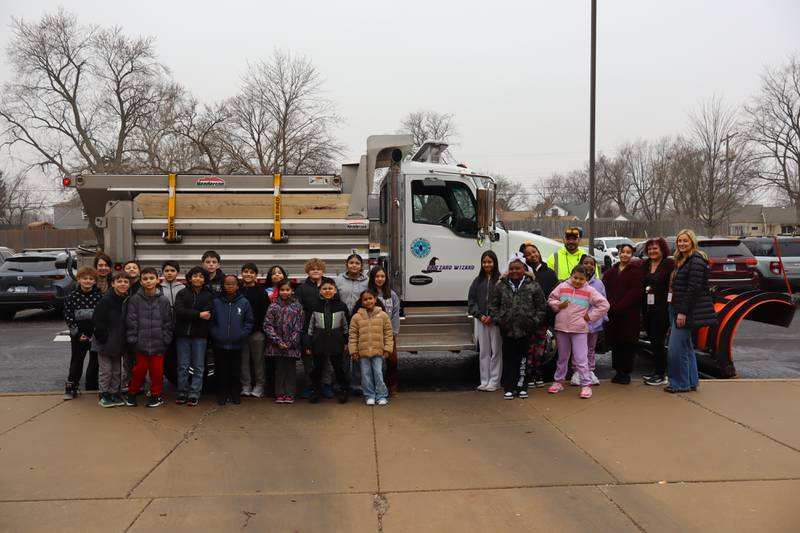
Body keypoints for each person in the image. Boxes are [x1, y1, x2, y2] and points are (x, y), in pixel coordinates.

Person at [487, 252, 546, 400]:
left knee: (523, 359)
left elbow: (541, 307)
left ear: (523, 270)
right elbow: (493, 305)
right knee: (509, 358)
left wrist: (533, 321)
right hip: (507, 329)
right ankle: (509, 387)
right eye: (512, 268)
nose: (514, 271)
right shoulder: (501, 285)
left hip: (525, 329)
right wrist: (500, 320)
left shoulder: (533, 285)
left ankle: (522, 386)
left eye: (518, 268)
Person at [667, 229, 717, 393]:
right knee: (686, 347)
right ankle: (691, 381)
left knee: (676, 350)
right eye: (679, 241)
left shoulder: (696, 260)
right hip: (677, 307)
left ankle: (680, 384)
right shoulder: (683, 259)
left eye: (685, 241)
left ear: (692, 242)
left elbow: (693, 289)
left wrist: (682, 312)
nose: (682, 244)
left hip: (685, 311)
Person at [549, 265, 610, 399]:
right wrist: (558, 304)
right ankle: (558, 382)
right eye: (575, 277)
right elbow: (551, 299)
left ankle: (586, 385)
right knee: (562, 358)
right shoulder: (562, 286)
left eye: (581, 279)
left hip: (579, 330)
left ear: (586, 279)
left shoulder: (590, 290)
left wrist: (590, 317)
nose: (577, 281)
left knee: (581, 359)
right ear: (571, 275)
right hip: (562, 328)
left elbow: (604, 305)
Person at [125, 267, 174, 408]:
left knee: (157, 372)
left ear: (157, 280)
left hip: (159, 344)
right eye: (145, 279)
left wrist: (166, 339)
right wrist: (133, 340)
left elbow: (167, 322)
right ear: (140, 282)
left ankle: (156, 395)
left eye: (151, 278)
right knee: (138, 371)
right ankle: (132, 393)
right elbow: (131, 321)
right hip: (140, 344)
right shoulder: (135, 299)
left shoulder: (163, 300)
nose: (148, 281)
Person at [602, 243, 644, 384]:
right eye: (622, 252)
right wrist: (610, 306)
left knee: (628, 343)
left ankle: (626, 373)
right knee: (616, 343)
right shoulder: (610, 272)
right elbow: (604, 290)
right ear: (618, 253)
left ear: (632, 255)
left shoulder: (636, 271)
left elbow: (635, 293)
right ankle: (618, 371)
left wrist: (620, 306)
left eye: (628, 252)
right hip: (613, 314)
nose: (624, 254)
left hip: (629, 314)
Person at [210, 274, 254, 405]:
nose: (230, 286)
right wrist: (216, 334)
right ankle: (222, 394)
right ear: (223, 286)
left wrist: (241, 334)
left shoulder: (244, 302)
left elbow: (249, 321)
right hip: (220, 343)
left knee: (235, 370)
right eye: (227, 284)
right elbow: (211, 322)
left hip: (237, 344)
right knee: (221, 370)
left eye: (232, 284)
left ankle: (235, 393)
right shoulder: (216, 302)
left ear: (237, 286)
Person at [295, 258, 335, 399]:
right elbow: (298, 309)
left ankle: (326, 385)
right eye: (312, 269)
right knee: (309, 360)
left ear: (323, 270)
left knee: (326, 358)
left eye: (318, 268)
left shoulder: (330, 284)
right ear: (307, 271)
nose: (316, 271)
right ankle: (310, 386)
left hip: (327, 327)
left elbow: (336, 302)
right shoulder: (301, 288)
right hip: (308, 329)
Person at [174, 266, 214, 406]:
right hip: (182, 335)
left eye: (201, 276)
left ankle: (194, 394)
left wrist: (189, 313)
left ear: (205, 279)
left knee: (198, 366)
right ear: (190, 278)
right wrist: (198, 314)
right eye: (195, 276)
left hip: (200, 336)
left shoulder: (208, 295)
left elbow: (208, 314)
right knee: (183, 366)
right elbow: (179, 311)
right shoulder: (182, 293)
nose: (197, 278)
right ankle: (182, 392)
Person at [306, 279, 350, 404]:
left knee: (339, 367)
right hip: (318, 342)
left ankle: (344, 390)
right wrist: (308, 343)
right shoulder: (314, 306)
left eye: (330, 288)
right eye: (324, 289)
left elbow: (347, 325)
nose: (327, 291)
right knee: (318, 368)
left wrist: (346, 341)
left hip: (337, 342)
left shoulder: (341, 306)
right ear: (320, 291)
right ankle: (315, 391)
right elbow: (309, 327)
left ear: (335, 290)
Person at [520, 242, 558, 388]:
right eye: (528, 254)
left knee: (540, 349)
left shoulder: (549, 273)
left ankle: (538, 373)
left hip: (543, 318)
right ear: (525, 258)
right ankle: (528, 375)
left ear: (539, 252)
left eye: (534, 252)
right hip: (528, 318)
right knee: (528, 349)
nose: (532, 255)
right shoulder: (522, 273)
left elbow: (554, 295)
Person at [63, 266, 103, 399]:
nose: (88, 281)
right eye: (84, 278)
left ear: (95, 281)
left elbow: (102, 317)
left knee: (94, 362)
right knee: (76, 361)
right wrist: (77, 334)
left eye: (91, 279)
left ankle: (92, 388)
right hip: (78, 336)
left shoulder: (100, 297)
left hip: (95, 336)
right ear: (79, 280)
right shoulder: (71, 297)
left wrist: (97, 333)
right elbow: (69, 318)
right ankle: (71, 387)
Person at [349, 290, 394, 406]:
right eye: (365, 299)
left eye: (370, 298)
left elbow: (388, 333)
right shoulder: (356, 317)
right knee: (365, 374)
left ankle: (381, 395)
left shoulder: (383, 315)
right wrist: (353, 351)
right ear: (361, 301)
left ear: (375, 299)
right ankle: (369, 395)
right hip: (363, 353)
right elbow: (353, 335)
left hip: (378, 351)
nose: (368, 301)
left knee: (378, 373)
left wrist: (388, 349)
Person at [92, 272, 131, 407]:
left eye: (126, 282)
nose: (123, 284)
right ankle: (104, 394)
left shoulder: (127, 299)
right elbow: (97, 320)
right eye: (119, 281)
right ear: (113, 283)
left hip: (118, 341)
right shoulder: (106, 300)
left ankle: (115, 393)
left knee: (117, 371)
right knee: (106, 371)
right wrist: (102, 338)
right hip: (105, 341)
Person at [641, 238, 675, 387]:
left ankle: (661, 374)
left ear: (662, 250)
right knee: (653, 342)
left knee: (658, 342)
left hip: (662, 310)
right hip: (647, 310)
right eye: (650, 249)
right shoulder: (646, 264)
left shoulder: (669, 265)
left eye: (655, 249)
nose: (652, 251)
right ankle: (656, 371)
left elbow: (673, 285)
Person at [264, 280, 304, 404]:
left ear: (292, 291)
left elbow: (299, 326)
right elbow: (267, 325)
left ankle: (290, 393)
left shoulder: (297, 307)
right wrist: (278, 341)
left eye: (287, 290)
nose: (285, 292)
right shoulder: (273, 306)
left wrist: (291, 342)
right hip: (277, 346)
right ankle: (280, 393)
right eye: (282, 290)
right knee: (279, 370)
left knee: (291, 370)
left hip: (292, 345)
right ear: (278, 291)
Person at [467, 250, 502, 392]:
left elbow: (502, 301)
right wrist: (480, 315)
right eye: (484, 262)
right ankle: (484, 380)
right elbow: (472, 300)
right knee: (484, 351)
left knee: (496, 351)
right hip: (481, 321)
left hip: (495, 322)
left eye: (490, 262)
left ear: (495, 263)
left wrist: (493, 317)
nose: (487, 264)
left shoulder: (500, 281)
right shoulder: (477, 281)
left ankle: (495, 381)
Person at [570, 255, 607, 386]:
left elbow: (603, 301)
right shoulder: (575, 281)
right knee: (578, 348)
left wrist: (602, 319)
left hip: (594, 323)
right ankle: (577, 371)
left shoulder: (599, 283)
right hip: (578, 322)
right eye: (585, 263)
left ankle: (590, 371)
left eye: (591, 263)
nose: (589, 265)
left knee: (591, 348)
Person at [369, 265, 401, 395]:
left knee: (392, 361)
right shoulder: (369, 294)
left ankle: (391, 385)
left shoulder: (391, 294)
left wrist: (393, 332)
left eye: (382, 276)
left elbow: (395, 313)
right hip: (373, 333)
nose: (380, 279)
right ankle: (375, 388)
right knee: (375, 363)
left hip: (388, 334)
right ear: (372, 278)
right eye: (377, 276)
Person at [239, 263, 269, 398]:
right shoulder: (237, 290)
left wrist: (260, 330)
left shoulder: (261, 291)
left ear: (255, 275)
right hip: (240, 333)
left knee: (258, 361)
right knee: (243, 361)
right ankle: (246, 385)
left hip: (257, 333)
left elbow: (266, 312)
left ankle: (259, 385)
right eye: (246, 271)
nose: (248, 274)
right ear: (242, 274)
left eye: (251, 272)